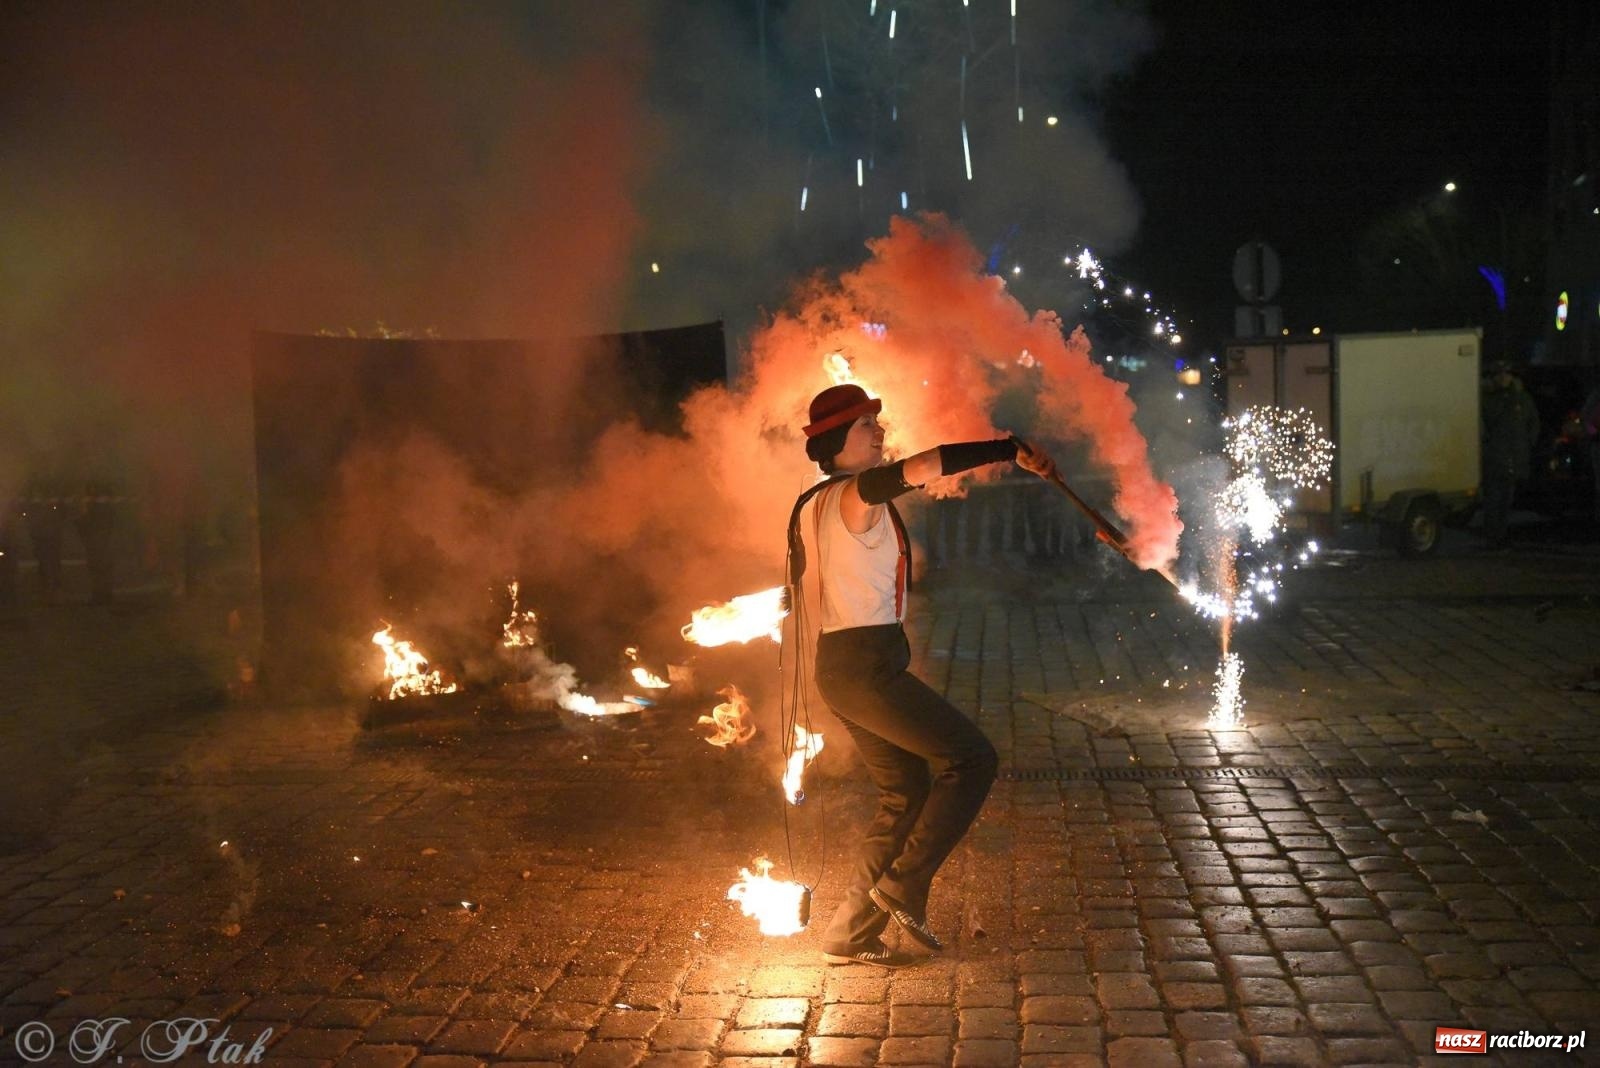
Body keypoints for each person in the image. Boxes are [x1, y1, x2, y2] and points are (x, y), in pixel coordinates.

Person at [792, 383, 1058, 968]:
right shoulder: (854, 491)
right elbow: (928, 464)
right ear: (836, 442)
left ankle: (850, 933)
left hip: (848, 665)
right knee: (972, 759)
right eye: (865, 425)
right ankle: (905, 883)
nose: (879, 431)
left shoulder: (822, 499)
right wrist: (1008, 448)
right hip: (863, 666)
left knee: (907, 790)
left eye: (876, 422)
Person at [1479, 361, 1539, 548]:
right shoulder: (1487, 398)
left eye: (1507, 373)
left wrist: (1527, 443)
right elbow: (1481, 426)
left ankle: (1501, 535)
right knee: (1493, 500)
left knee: (1506, 500)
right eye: (1499, 374)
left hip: (1514, 457)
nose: (1503, 377)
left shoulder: (1522, 398)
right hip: (1494, 458)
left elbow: (1533, 422)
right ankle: (1492, 537)